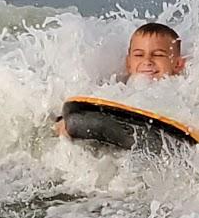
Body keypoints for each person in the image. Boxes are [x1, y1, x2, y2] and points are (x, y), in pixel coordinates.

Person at [56, 23, 185, 138]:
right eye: (139, 55)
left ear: (178, 64)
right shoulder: (120, 90)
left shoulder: (183, 90)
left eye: (158, 55)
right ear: (128, 63)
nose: (147, 61)